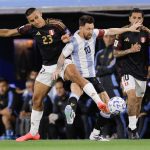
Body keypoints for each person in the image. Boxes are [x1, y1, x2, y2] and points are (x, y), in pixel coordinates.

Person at [52, 15, 142, 126]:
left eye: (92, 28)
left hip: (92, 76)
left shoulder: (93, 33)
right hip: (81, 76)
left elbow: (110, 31)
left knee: (105, 107)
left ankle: (92, 129)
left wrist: (129, 29)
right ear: (81, 28)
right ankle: (75, 110)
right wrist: (57, 69)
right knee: (82, 92)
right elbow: (62, 56)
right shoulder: (73, 42)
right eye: (88, 29)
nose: (91, 31)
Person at [0, 7, 70, 141]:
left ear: (41, 14)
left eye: (36, 17)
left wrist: (67, 38)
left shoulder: (56, 24)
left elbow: (70, 36)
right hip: (48, 67)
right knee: (36, 99)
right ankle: (33, 133)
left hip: (64, 61)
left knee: (80, 82)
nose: (35, 21)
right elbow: (8, 32)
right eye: (32, 20)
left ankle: (101, 104)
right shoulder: (29, 28)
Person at [113, 8, 150, 139]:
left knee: (138, 103)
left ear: (142, 19)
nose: (136, 20)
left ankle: (131, 126)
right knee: (132, 97)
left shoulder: (146, 32)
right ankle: (133, 129)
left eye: (139, 18)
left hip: (142, 72)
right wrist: (130, 50)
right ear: (129, 19)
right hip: (126, 70)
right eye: (134, 18)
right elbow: (115, 53)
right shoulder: (122, 32)